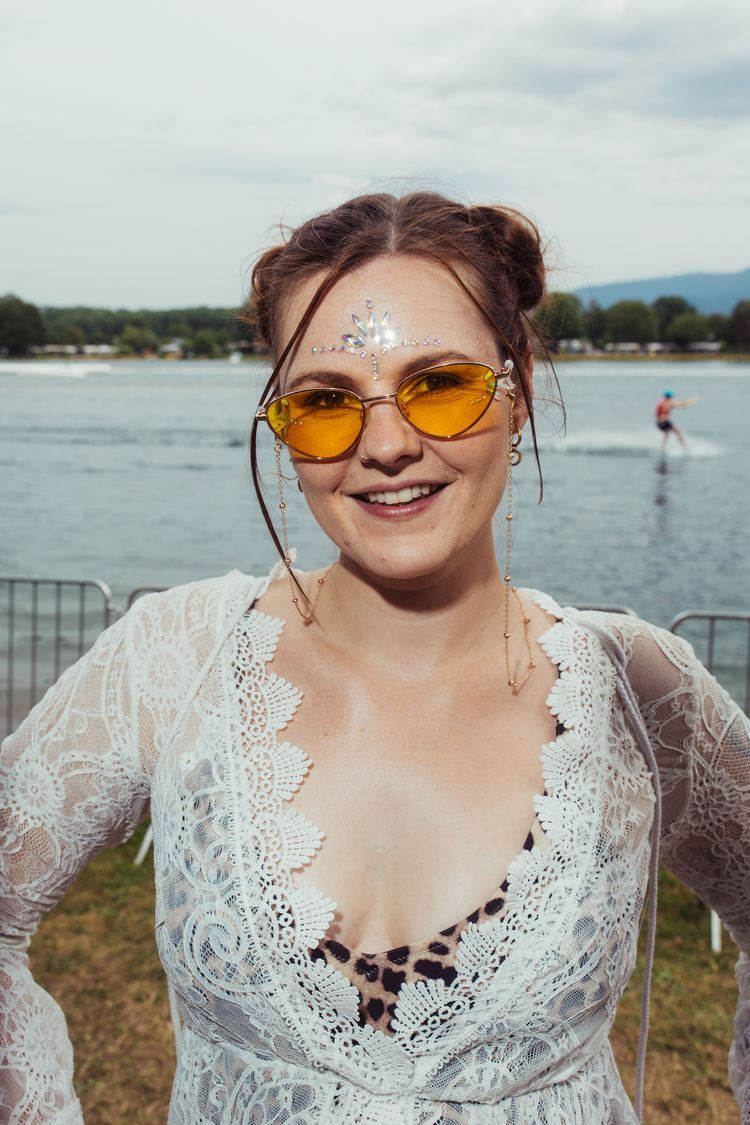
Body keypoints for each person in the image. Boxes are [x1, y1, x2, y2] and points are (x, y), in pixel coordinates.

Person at [1, 192, 749, 1125]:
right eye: (325, 403)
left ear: (518, 385)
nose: (387, 446)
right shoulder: (175, 660)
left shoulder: (638, 691)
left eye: (441, 385)